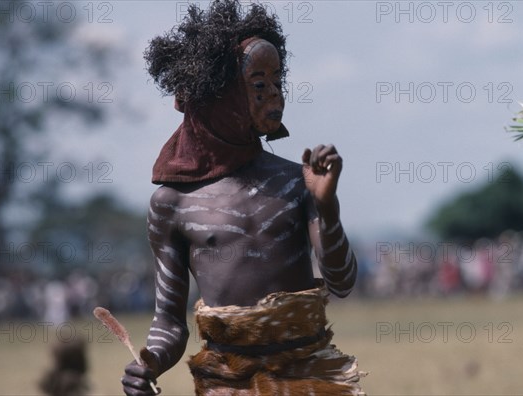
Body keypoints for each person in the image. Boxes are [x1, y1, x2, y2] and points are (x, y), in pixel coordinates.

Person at [122, 1, 364, 394]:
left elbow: (342, 281)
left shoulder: (294, 181)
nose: (275, 95)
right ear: (220, 94)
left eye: (277, 80)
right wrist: (148, 363)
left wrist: (327, 207)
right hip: (226, 385)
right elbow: (168, 322)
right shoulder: (172, 204)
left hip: (308, 379)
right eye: (258, 84)